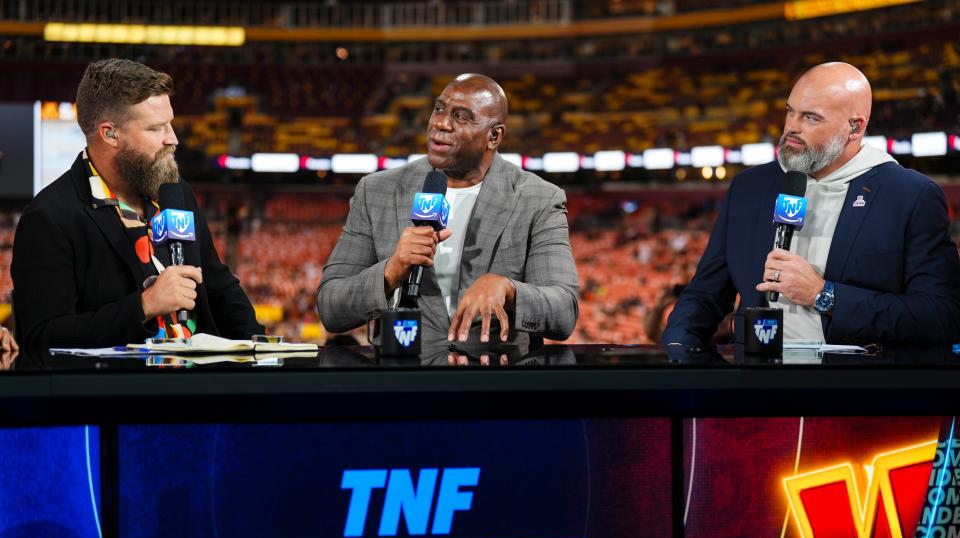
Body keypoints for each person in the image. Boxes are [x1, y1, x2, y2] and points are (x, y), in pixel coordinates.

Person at [663, 62, 960, 347]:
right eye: (790, 112)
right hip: (757, 382)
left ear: (854, 129)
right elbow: (704, 295)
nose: (792, 127)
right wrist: (677, 353)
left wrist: (823, 295)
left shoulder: (909, 195)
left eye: (811, 117)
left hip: (858, 387)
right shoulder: (749, 186)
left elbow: (940, 317)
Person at [12, 59, 262, 352]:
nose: (173, 139)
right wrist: (144, 305)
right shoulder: (49, 218)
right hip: (119, 392)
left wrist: (261, 348)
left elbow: (219, 287)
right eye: (156, 129)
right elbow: (42, 338)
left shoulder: (176, 193)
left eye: (170, 123)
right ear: (111, 134)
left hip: (199, 383)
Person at [317, 73, 578, 347]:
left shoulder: (539, 198)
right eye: (439, 109)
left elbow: (563, 312)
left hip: (494, 382)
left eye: (461, 116)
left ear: (494, 136)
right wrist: (391, 271)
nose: (440, 124)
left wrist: (509, 289)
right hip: (403, 377)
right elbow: (331, 307)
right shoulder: (376, 191)